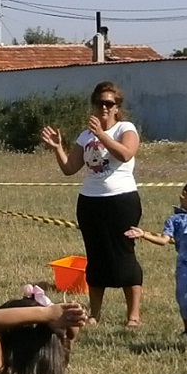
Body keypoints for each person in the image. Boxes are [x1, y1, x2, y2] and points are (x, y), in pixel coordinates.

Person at [40, 82, 144, 327]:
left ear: (117, 107)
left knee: (124, 255)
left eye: (110, 103)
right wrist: (58, 148)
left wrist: (101, 135)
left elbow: (126, 154)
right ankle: (94, 314)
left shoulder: (125, 128)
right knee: (96, 257)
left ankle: (133, 316)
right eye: (100, 103)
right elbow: (69, 168)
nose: (104, 107)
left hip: (122, 200)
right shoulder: (85, 136)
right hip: (90, 201)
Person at [126, 162, 187, 339]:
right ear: (183, 195)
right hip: (185, 267)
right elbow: (163, 240)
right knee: (185, 300)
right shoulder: (174, 220)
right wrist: (143, 233)